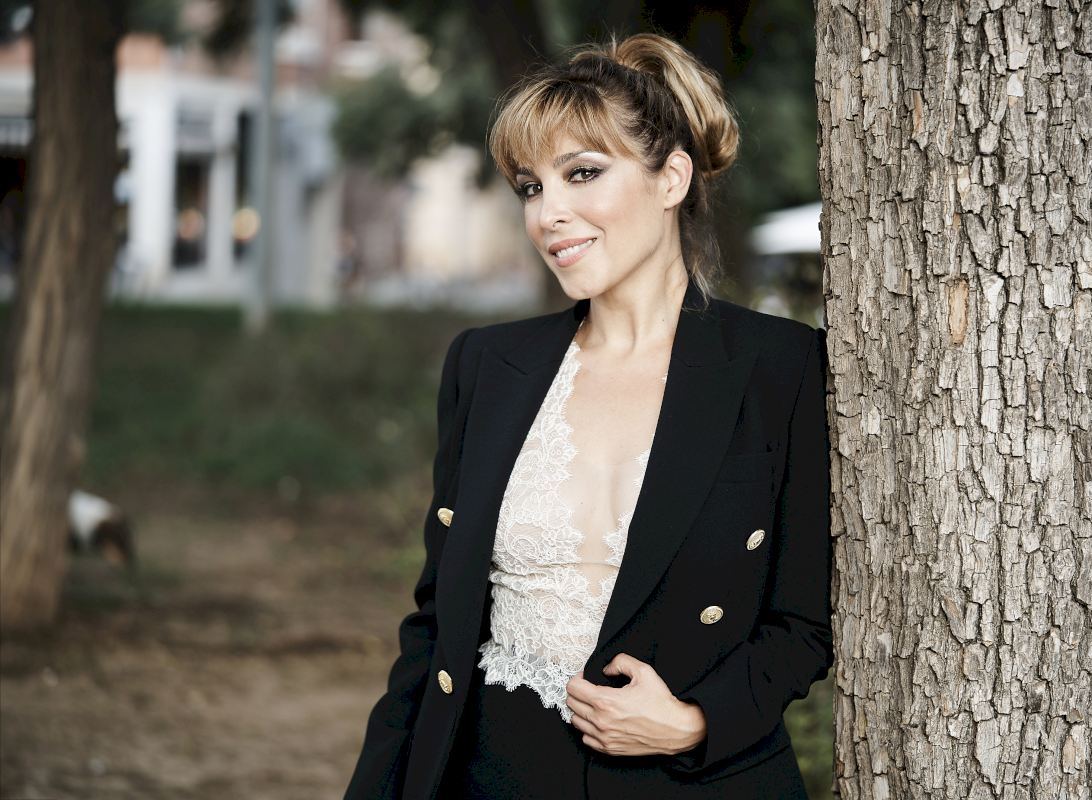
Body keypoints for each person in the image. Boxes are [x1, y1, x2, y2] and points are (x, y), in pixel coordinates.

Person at [343, 31, 833, 800]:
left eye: (582, 174)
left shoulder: (783, 367)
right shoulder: (486, 365)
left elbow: (804, 620)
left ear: (672, 178)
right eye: (531, 187)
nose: (549, 214)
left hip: (694, 784)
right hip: (489, 776)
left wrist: (697, 721)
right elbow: (438, 623)